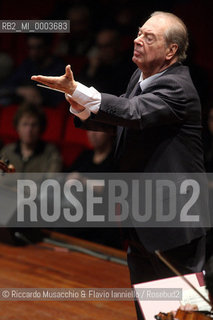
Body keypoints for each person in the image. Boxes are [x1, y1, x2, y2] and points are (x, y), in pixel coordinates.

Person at [31, 11, 207, 319]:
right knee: (151, 313)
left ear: (171, 51)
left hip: (173, 222)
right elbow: (124, 120)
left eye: (148, 37)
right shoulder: (139, 78)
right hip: (141, 217)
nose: (137, 40)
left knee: (184, 315)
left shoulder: (178, 86)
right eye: (139, 33)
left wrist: (76, 90)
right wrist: (83, 110)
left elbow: (132, 111)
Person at [0, 103, 62, 172]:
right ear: (17, 127)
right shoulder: (7, 151)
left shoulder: (51, 153)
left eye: (34, 125)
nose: (29, 130)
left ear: (41, 128)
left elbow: (52, 180)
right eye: (25, 124)